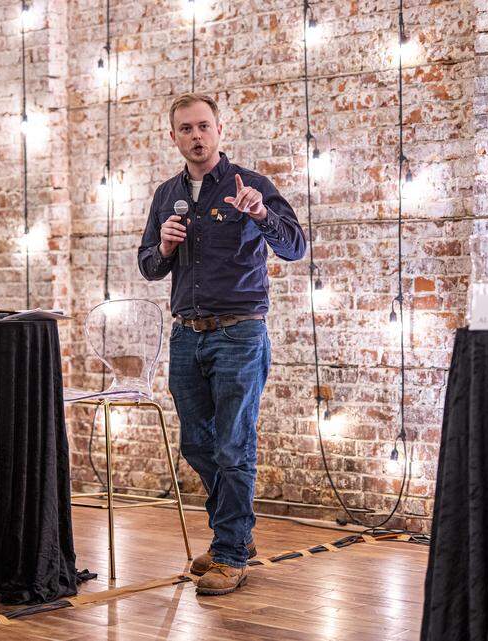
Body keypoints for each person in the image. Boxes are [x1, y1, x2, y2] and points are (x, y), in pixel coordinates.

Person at [138, 93, 306, 595]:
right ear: (173, 137)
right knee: (196, 443)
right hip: (186, 335)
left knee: (234, 445)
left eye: (204, 126)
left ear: (219, 130)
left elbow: (295, 247)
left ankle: (230, 552)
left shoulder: (250, 186)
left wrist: (261, 215)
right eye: (186, 128)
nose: (196, 136)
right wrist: (164, 246)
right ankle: (235, 530)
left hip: (239, 333)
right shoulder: (167, 194)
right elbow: (149, 265)